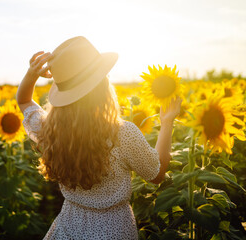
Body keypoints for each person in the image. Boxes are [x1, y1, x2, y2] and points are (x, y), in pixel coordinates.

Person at [16, 36, 182, 240]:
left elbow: (24, 101)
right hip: (114, 229)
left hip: (69, 225)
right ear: (103, 88)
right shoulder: (122, 133)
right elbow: (156, 174)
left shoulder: (51, 130)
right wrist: (166, 123)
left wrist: (31, 74)